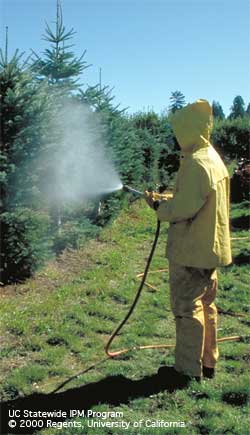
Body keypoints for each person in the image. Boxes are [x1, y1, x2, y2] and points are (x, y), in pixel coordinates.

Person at [145, 99, 232, 382]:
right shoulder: (212, 157)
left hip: (192, 251)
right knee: (206, 306)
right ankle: (208, 363)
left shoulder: (196, 164)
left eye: (179, 131)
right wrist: (167, 199)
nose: (176, 137)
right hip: (210, 248)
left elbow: (183, 209)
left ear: (189, 131)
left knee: (187, 309)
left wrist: (160, 208)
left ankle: (185, 372)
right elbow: (195, 200)